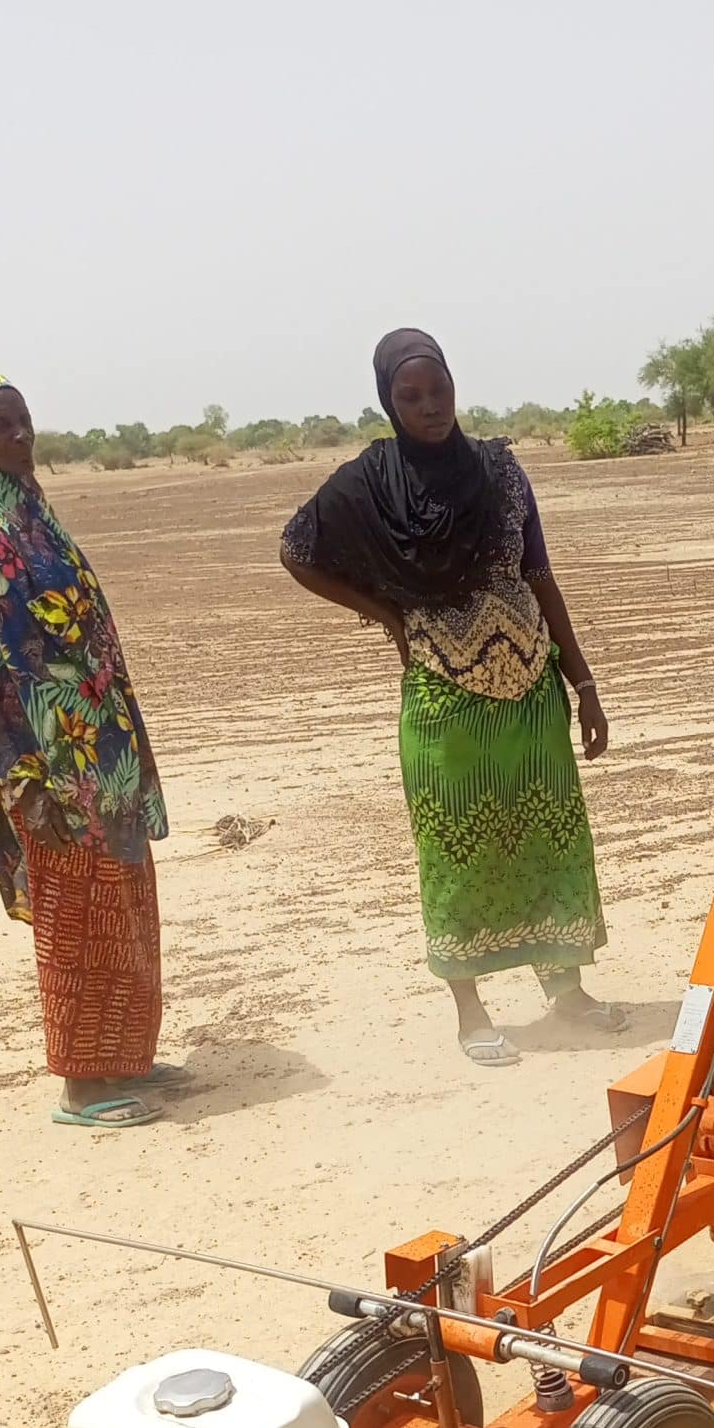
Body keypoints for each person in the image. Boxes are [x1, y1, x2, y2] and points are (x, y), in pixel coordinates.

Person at [280, 329, 620, 1066]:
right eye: (411, 397)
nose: (430, 408)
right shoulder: (367, 484)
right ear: (387, 401)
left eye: (440, 392)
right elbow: (296, 551)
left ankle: (567, 993)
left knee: (550, 835)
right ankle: (470, 1009)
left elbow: (540, 576)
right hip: (445, 696)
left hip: (531, 688)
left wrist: (583, 683)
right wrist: (389, 614)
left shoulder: (500, 470)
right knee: (456, 849)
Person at [0, 370, 174, 1130]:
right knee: (75, 911)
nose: (21, 437)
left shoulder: (36, 515)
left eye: (25, 421)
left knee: (124, 903)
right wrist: (19, 777)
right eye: (1, 425)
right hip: (48, 757)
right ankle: (81, 1083)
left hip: (104, 749)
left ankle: (125, 1055)